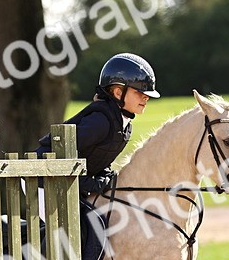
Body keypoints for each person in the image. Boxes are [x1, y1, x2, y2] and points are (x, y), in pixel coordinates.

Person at [35, 52, 159, 196]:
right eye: (139, 92)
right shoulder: (100, 122)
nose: (146, 97)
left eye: (147, 94)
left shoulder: (124, 125)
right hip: (43, 182)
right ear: (118, 93)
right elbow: (61, 157)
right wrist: (92, 184)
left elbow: (98, 157)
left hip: (69, 184)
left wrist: (105, 176)